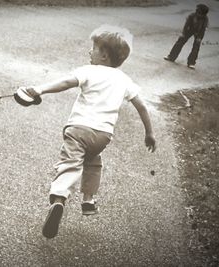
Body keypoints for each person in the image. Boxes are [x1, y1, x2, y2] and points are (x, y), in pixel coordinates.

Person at [17, 24, 156, 239]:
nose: (89, 52)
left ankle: (59, 198)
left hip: (78, 129)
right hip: (103, 136)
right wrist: (149, 133)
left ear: (103, 55)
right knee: (93, 161)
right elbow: (142, 106)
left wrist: (40, 89)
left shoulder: (89, 70)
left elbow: (65, 82)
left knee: (71, 162)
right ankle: (88, 200)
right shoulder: (124, 80)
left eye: (93, 48)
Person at [164, 4, 209, 69]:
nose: (197, 13)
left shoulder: (205, 20)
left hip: (199, 32)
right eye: (197, 11)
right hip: (190, 29)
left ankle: (191, 62)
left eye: (199, 12)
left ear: (203, 14)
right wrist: (184, 33)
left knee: (196, 46)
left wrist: (199, 38)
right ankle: (171, 57)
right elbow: (186, 25)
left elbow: (203, 30)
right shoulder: (192, 16)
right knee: (180, 41)